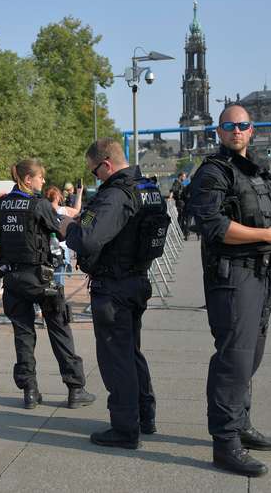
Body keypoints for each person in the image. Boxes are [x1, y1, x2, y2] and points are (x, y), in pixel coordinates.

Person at [187, 104, 271, 477]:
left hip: (262, 274)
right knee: (233, 360)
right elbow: (214, 226)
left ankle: (242, 425)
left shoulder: (257, 173)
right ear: (219, 132)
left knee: (251, 358)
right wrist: (268, 235)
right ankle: (226, 443)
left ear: (252, 131)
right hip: (233, 276)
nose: (237, 131)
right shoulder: (213, 173)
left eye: (243, 125)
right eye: (229, 126)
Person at [60, 139, 170, 450]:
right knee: (131, 351)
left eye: (95, 172)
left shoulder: (116, 195)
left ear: (106, 165)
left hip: (114, 287)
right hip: (136, 280)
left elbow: (89, 240)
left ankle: (124, 427)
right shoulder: (146, 188)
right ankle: (144, 415)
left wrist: (69, 226)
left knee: (116, 357)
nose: (96, 178)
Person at [0, 159, 95, 410]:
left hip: (13, 279)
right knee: (59, 328)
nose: (43, 181)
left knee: (23, 333)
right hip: (41, 278)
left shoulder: (1, 204)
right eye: (40, 177)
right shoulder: (40, 205)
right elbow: (61, 232)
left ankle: (30, 391)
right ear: (27, 179)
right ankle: (75, 388)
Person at [45, 185, 83, 286]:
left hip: (45, 247)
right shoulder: (63, 210)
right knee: (58, 278)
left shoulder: (43, 210)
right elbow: (77, 211)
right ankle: (58, 299)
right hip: (60, 249)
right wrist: (79, 193)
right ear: (57, 197)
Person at [170, 172, 191, 240]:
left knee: (182, 217)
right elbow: (172, 190)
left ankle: (182, 232)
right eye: (184, 176)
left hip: (182, 202)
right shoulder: (177, 183)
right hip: (180, 202)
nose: (185, 178)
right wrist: (170, 197)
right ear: (180, 176)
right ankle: (180, 232)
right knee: (182, 217)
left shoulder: (180, 183)